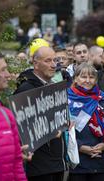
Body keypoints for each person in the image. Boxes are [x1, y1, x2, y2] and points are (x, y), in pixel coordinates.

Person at [14, 46, 67, 181]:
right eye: (48, 61)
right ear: (35, 63)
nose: (53, 65)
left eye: (55, 60)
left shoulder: (53, 86)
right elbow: (20, 129)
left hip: (56, 163)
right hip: (39, 167)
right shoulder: (25, 90)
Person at [67, 63, 104, 181]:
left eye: (91, 77)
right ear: (75, 78)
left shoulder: (102, 98)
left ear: (96, 80)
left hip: (100, 158)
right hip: (77, 160)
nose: (87, 80)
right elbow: (63, 129)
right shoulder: (66, 99)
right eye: (83, 77)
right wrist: (81, 147)